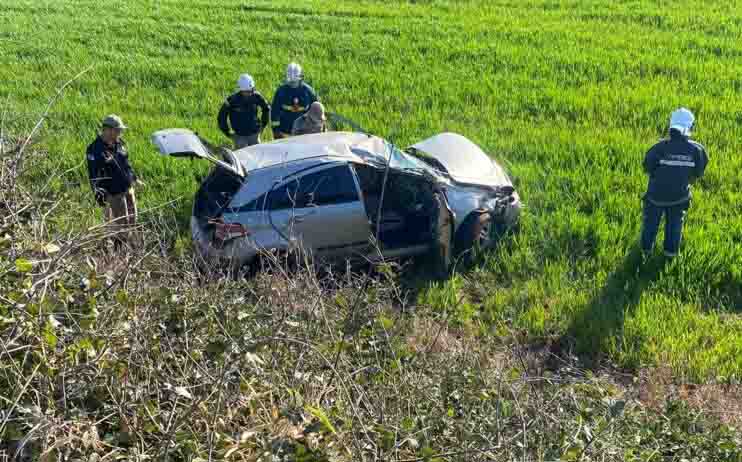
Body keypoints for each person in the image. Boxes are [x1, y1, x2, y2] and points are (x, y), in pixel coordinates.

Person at [641, 108, 709, 258]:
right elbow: (699, 172)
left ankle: (645, 250)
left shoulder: (658, 148)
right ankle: (670, 253)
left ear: (670, 126)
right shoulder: (697, 150)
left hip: (655, 196)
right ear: (690, 128)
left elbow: (647, 166)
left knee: (650, 223)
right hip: (680, 197)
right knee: (675, 225)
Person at [86, 114, 142, 245]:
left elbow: (126, 164)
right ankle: (120, 250)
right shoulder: (95, 150)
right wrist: (101, 198)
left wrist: (134, 179)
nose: (120, 133)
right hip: (114, 193)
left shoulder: (119, 144)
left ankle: (132, 245)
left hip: (127, 188)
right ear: (108, 130)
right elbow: (94, 176)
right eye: (118, 130)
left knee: (133, 218)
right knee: (122, 223)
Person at [218, 73, 270, 149]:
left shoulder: (257, 96)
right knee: (242, 159)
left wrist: (263, 125)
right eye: (247, 91)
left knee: (257, 157)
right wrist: (228, 133)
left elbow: (266, 109)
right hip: (239, 137)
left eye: (251, 90)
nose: (250, 93)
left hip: (254, 135)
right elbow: (221, 117)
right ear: (241, 90)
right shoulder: (232, 100)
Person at [271, 62, 318, 139]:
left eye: (295, 81)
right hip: (285, 132)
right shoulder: (281, 92)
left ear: (300, 78)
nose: (293, 84)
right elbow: (275, 112)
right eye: (291, 82)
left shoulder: (308, 91)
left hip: (304, 132)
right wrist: (276, 131)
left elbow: (317, 109)